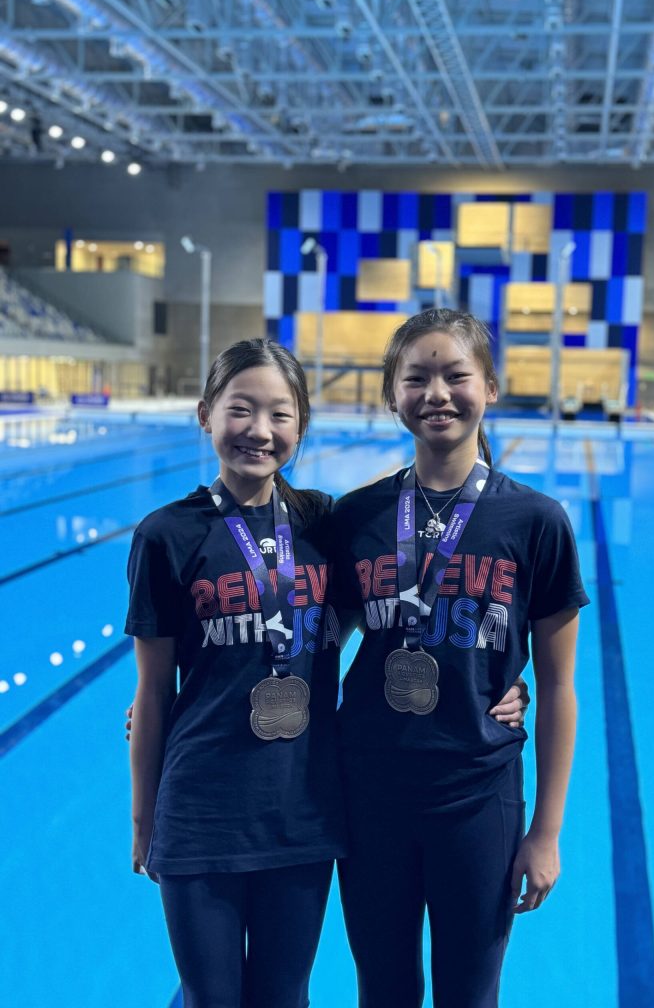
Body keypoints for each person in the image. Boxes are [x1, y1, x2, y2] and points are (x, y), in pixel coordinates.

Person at [126, 335, 529, 1008]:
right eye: (240, 410)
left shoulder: (322, 525)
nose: (259, 430)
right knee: (211, 996)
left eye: (280, 414)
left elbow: (378, 613)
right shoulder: (166, 535)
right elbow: (153, 683)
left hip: (304, 808)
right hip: (200, 805)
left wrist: (498, 684)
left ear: (301, 427)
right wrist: (145, 818)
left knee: (286, 996)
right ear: (206, 415)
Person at [331, 308, 589, 1008]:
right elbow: (313, 641)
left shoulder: (535, 522)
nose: (436, 393)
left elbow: (560, 683)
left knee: (470, 994)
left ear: (491, 388)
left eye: (455, 375)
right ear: (392, 396)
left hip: (479, 795)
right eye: (416, 378)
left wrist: (547, 831)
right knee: (382, 987)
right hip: (370, 792)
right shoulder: (355, 517)